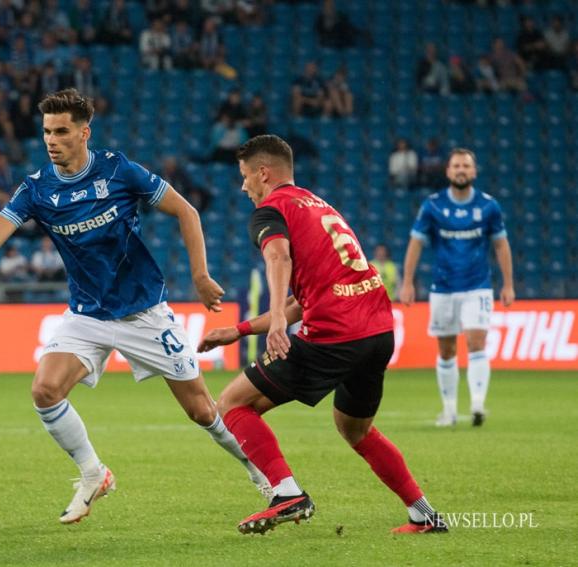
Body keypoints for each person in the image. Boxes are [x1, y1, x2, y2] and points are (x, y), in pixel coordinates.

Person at [0, 88, 271, 524]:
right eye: (46, 131)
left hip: (144, 313)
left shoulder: (119, 171)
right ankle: (93, 473)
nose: (51, 140)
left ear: (85, 133)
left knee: (202, 412)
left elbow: (187, 211)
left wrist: (199, 275)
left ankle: (264, 477)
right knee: (44, 390)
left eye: (61, 131)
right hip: (86, 315)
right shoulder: (36, 190)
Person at [198, 135, 445, 535]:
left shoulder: (270, 210)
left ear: (264, 172)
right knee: (355, 429)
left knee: (233, 403)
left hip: (336, 333)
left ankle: (286, 493)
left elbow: (278, 257)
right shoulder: (316, 205)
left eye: (245, 176)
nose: (243, 185)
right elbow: (305, 300)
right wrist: (239, 330)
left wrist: (277, 320)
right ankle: (424, 513)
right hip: (377, 329)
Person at [400, 149, 514, 428]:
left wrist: (508, 284)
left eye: (466, 166)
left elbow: (501, 244)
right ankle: (449, 410)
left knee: (477, 342)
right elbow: (416, 243)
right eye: (456, 166)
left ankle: (477, 404)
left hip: (478, 286)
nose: (461, 170)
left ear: (474, 172)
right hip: (444, 288)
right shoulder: (433, 206)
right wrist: (407, 281)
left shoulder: (489, 206)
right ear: (448, 172)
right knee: (447, 349)